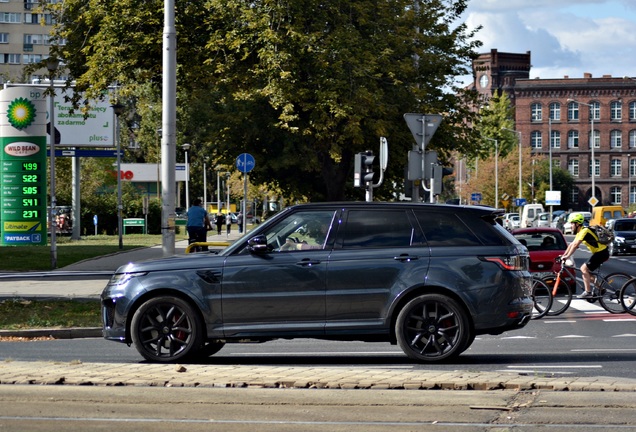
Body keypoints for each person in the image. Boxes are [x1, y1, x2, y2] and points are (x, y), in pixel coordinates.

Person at [560, 212, 610, 299]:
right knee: (587, 273)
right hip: (599, 253)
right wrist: (563, 255)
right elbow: (572, 244)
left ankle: (588, 292)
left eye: (572, 223)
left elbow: (576, 246)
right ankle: (601, 289)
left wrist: (567, 257)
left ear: (577, 224)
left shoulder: (584, 231)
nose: (571, 226)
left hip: (601, 253)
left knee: (583, 269)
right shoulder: (580, 232)